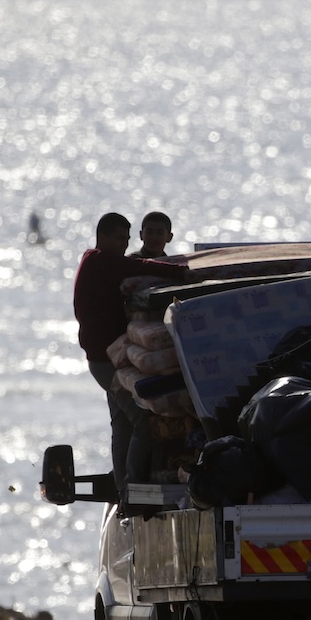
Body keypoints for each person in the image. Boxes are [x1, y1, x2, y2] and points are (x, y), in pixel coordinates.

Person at [73, 213, 188, 513]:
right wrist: (183, 271)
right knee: (141, 422)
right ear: (103, 237)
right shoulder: (100, 261)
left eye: (126, 240)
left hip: (109, 359)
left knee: (122, 424)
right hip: (107, 363)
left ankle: (124, 491)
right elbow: (138, 266)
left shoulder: (94, 261)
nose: (124, 245)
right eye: (119, 239)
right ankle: (133, 490)